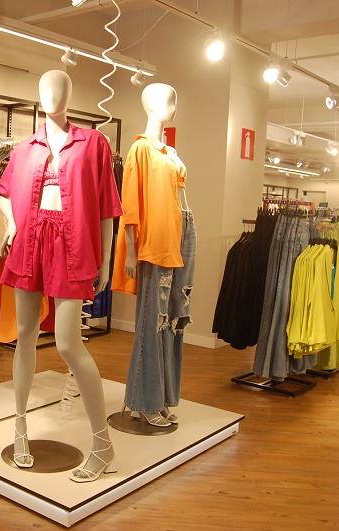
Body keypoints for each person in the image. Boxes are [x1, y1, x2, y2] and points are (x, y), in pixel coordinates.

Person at [0, 70, 123, 482]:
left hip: (73, 245)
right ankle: (20, 429)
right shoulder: (23, 149)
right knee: (25, 336)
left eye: (61, 87)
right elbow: (1, 192)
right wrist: (12, 222)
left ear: (71, 93)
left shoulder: (94, 143)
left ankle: (102, 444)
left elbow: (107, 205)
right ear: (37, 95)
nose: (53, 94)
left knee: (68, 343)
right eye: (46, 88)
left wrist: (105, 259)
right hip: (30, 243)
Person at [111, 83, 196, 428]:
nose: (173, 106)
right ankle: (144, 400)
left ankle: (160, 398)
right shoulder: (141, 150)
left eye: (175, 99)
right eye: (168, 100)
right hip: (156, 241)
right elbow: (130, 204)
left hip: (182, 232)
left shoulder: (168, 150)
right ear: (150, 105)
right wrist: (131, 251)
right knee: (152, 321)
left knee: (174, 319)